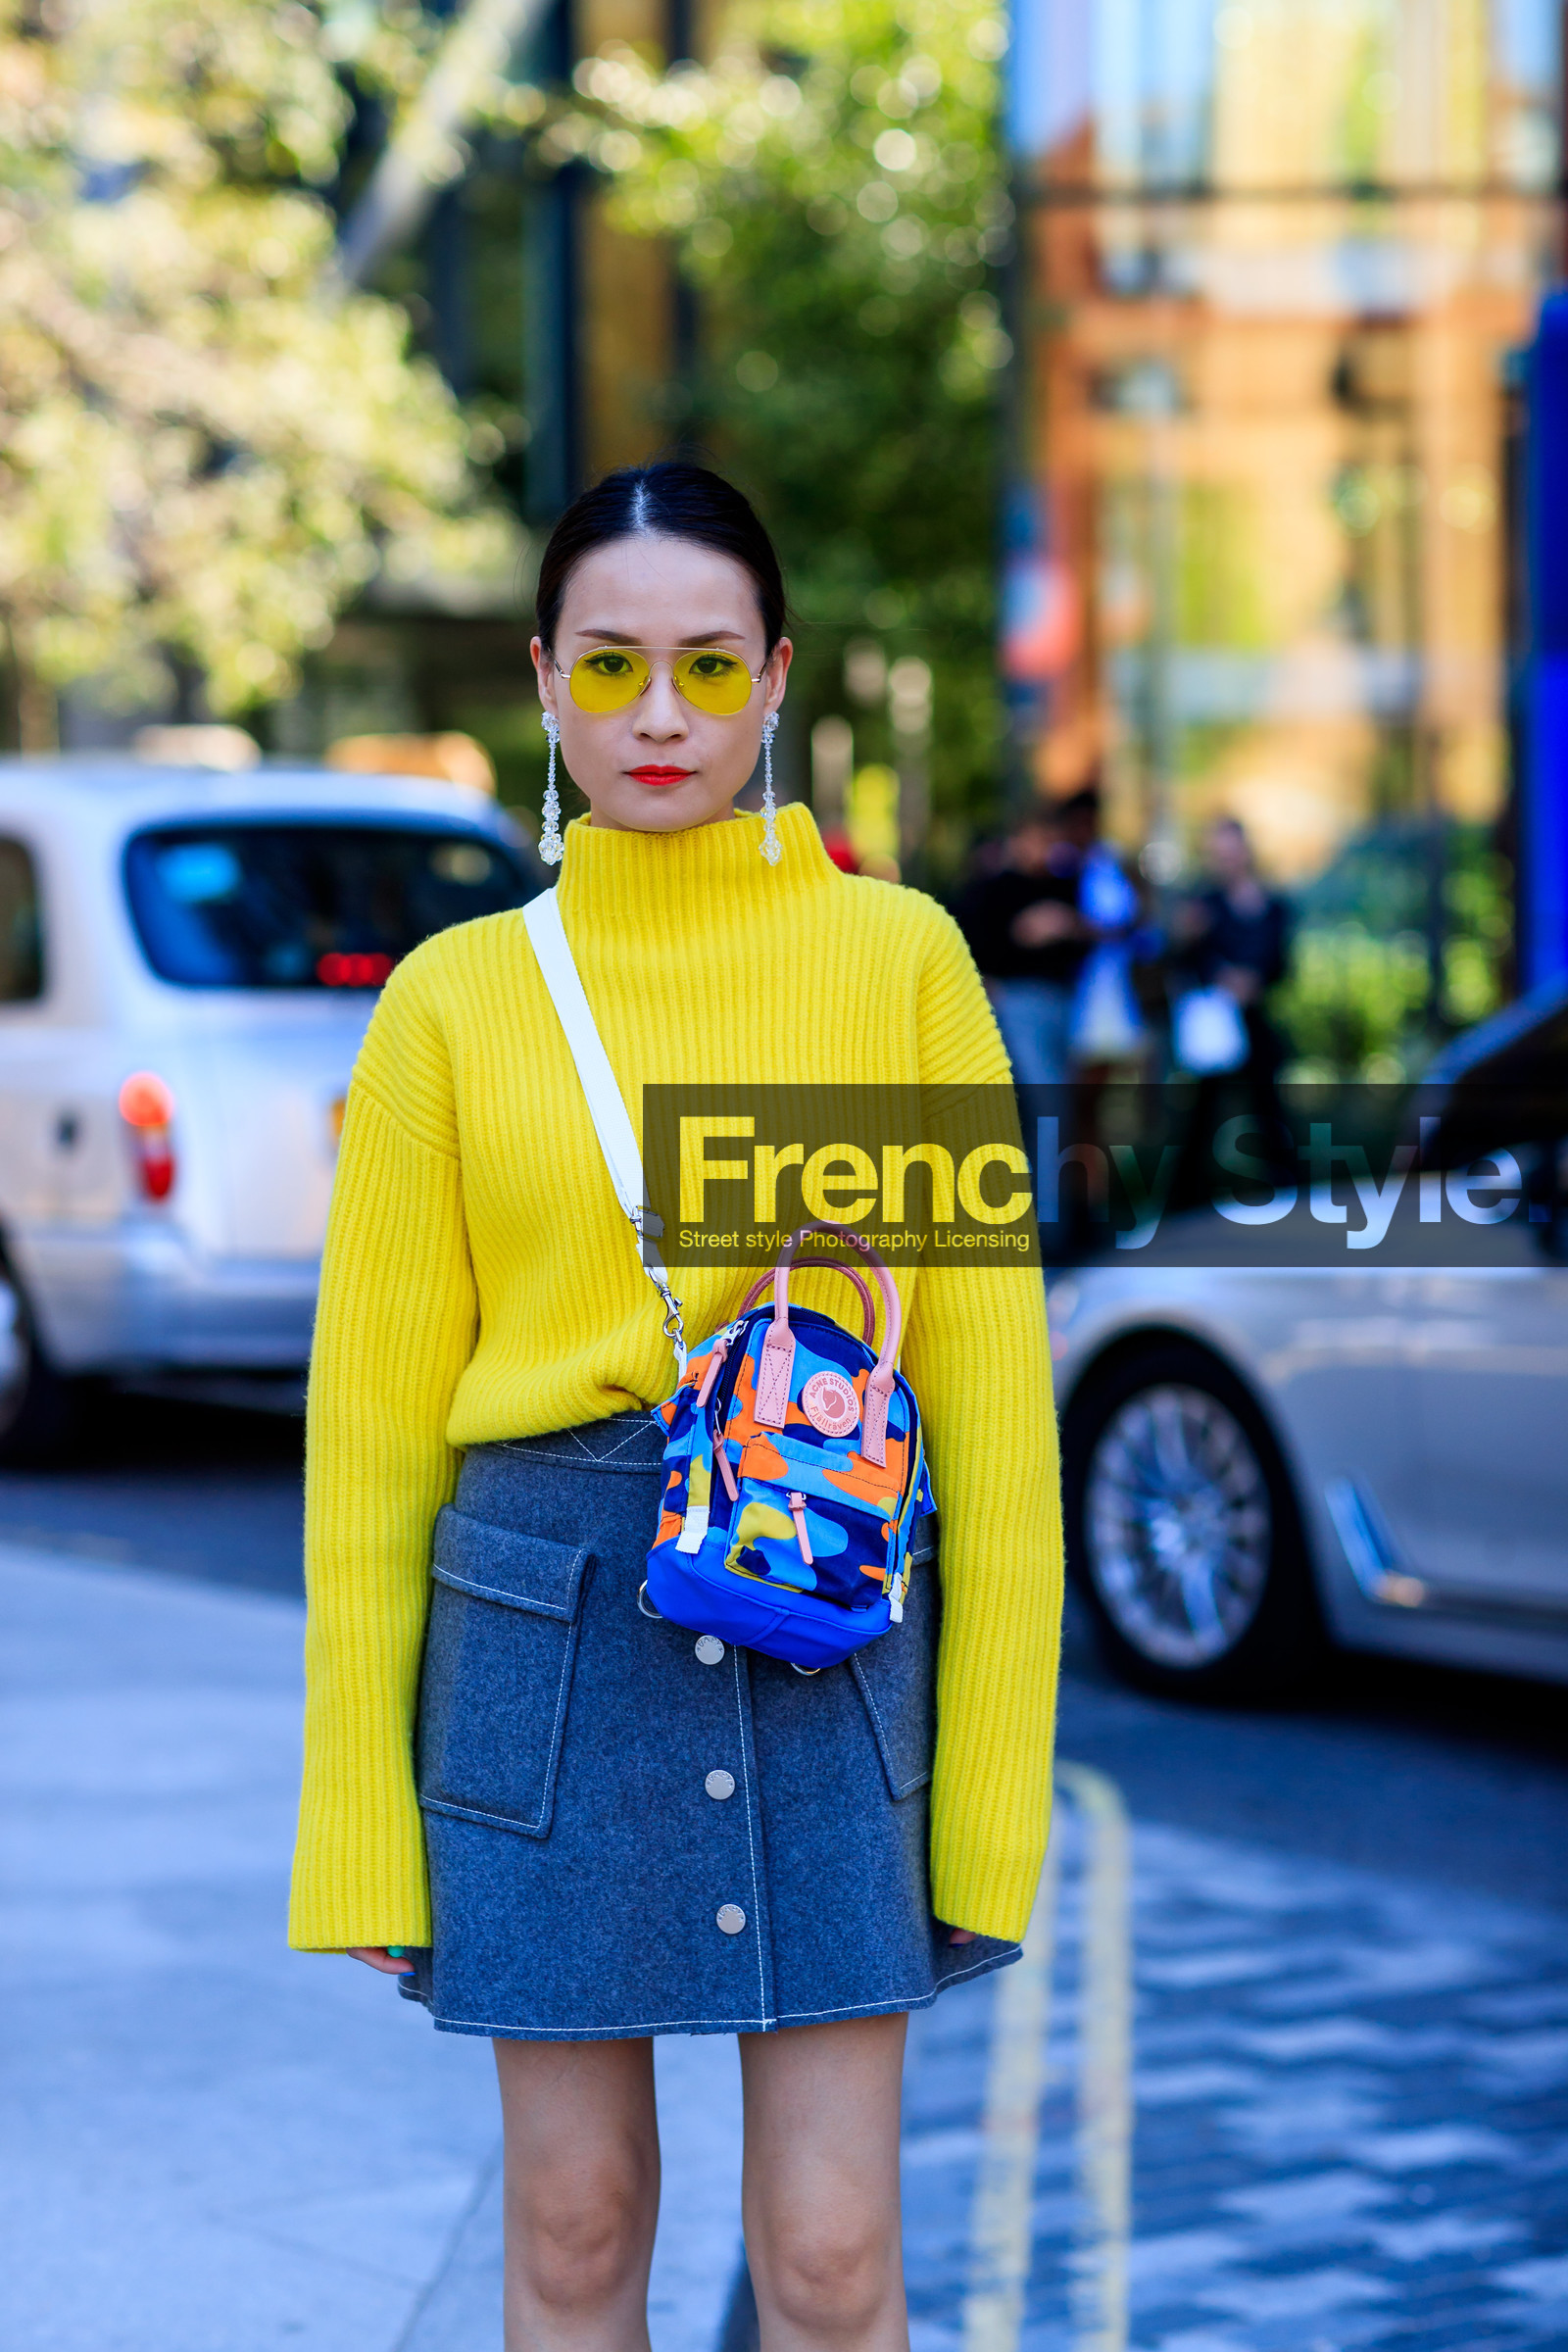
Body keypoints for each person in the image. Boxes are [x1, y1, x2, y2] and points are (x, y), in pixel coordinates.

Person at [289, 463, 1063, 2352]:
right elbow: (373, 1448)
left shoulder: (899, 966)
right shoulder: (451, 1004)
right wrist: (360, 1825)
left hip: (825, 1625)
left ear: (776, 679)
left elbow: (995, 1419)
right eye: (614, 665)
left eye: (709, 670)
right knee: (571, 2240)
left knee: (829, 2261)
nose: (659, 715)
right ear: (544, 680)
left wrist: (989, 1806)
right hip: (540, 1657)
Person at [954, 788, 1101, 1084]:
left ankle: (1052, 1132)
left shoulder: (1067, 886)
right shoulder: (994, 889)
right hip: (1017, 998)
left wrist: (1069, 926)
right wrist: (1021, 933)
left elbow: (1092, 937)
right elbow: (976, 943)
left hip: (1065, 997)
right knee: (1042, 1089)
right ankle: (1049, 1132)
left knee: (1060, 1086)